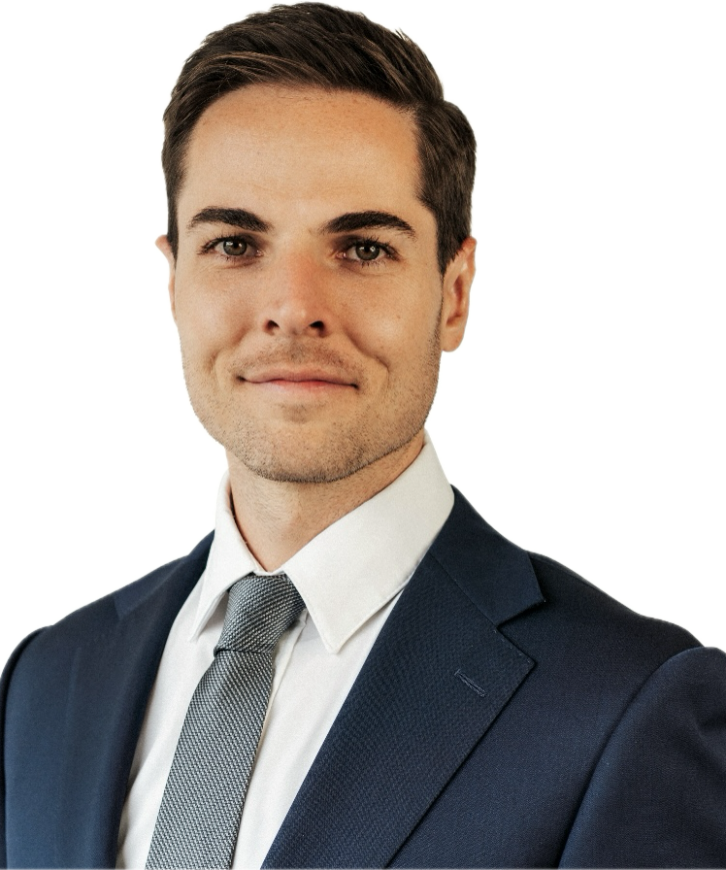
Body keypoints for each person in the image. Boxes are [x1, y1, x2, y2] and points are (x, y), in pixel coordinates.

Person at [1, 3, 724, 869]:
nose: (293, 307)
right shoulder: (47, 677)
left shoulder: (629, 703)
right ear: (173, 283)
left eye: (364, 249)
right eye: (235, 244)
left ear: (455, 293)